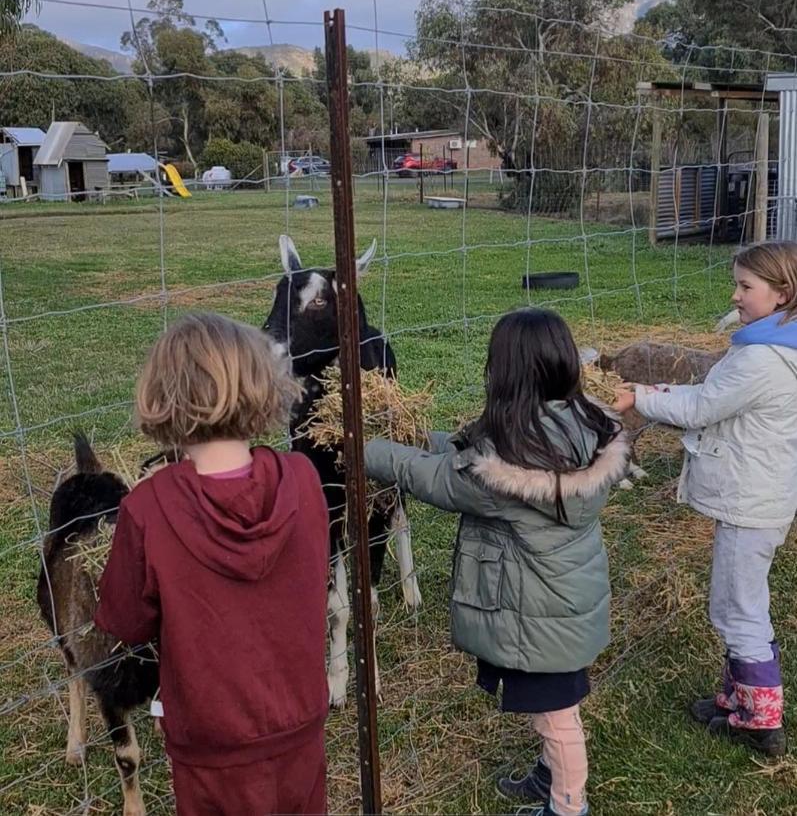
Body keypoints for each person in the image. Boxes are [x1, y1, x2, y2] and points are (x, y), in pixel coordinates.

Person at [365, 308, 629, 816]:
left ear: (504, 372)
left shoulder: (506, 467)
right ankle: (551, 778)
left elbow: (440, 479)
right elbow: (459, 457)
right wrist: (418, 436)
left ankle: (567, 807)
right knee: (557, 710)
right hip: (563, 604)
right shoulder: (574, 424)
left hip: (539, 615)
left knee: (556, 718)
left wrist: (367, 445)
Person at [95, 312, 330, 814]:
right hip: (300, 724)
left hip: (210, 740)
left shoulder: (148, 508)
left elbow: (125, 621)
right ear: (262, 384)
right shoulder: (304, 481)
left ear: (165, 394)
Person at [615, 240, 797, 757]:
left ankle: (760, 720)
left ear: (781, 294)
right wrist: (654, 391)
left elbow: (703, 406)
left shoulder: (763, 359)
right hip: (757, 495)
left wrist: (641, 397)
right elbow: (711, 397)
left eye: (746, 287)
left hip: (750, 499)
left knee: (738, 609)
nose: (735, 296)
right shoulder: (774, 343)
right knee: (739, 601)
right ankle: (738, 698)